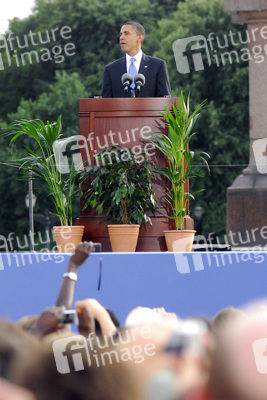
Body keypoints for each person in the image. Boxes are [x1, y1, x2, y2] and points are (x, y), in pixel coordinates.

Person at [101, 21, 171, 98]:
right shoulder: (111, 69)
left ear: (140, 38)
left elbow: (165, 100)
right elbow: (105, 103)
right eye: (121, 34)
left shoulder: (157, 66)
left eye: (126, 33)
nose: (121, 38)